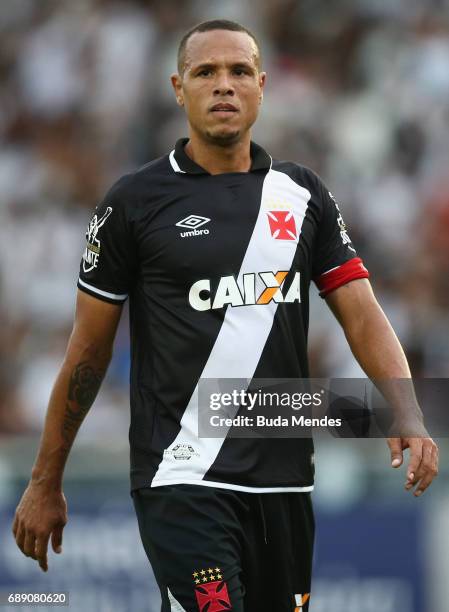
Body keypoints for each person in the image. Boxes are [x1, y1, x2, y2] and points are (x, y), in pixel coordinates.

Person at [12, 19, 438, 612]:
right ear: (177, 88)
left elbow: (361, 314)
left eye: (239, 71)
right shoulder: (133, 203)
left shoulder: (302, 193)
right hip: (182, 477)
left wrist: (407, 410)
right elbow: (87, 351)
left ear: (262, 85)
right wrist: (44, 479)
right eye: (205, 72)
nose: (224, 85)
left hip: (284, 479)